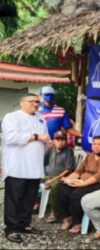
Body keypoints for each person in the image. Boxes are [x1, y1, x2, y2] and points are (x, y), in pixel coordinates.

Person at [1, 93, 50, 243]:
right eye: (32, 101)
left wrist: (47, 143)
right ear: (22, 103)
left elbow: (46, 138)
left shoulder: (41, 118)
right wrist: (35, 137)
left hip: (35, 167)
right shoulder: (12, 117)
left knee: (29, 198)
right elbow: (10, 137)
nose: (36, 104)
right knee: (14, 198)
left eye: (38, 102)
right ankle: (12, 228)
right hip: (18, 166)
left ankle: (24, 224)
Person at [56, 135, 100, 233]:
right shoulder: (90, 156)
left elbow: (99, 177)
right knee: (62, 188)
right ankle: (67, 217)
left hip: (97, 185)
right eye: (94, 144)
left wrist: (81, 185)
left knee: (76, 195)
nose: (96, 146)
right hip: (82, 182)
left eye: (99, 144)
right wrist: (68, 179)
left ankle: (78, 222)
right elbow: (78, 171)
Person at [43, 130, 76, 223]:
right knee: (33, 180)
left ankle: (54, 212)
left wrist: (53, 180)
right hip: (49, 176)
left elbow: (69, 170)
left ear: (66, 141)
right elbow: (43, 162)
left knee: (54, 186)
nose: (60, 142)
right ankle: (35, 204)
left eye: (63, 140)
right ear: (54, 140)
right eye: (58, 140)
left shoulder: (69, 151)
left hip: (62, 178)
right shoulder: (51, 149)